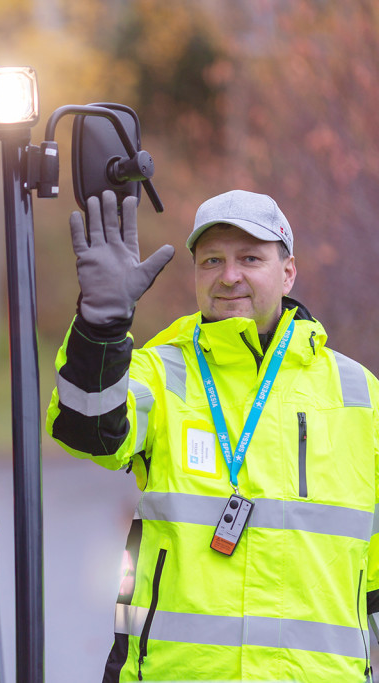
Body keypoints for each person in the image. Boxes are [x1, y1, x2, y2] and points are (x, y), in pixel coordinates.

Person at [46, 189, 379, 681]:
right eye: (212, 261)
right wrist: (101, 327)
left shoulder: (360, 394)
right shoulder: (160, 374)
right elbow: (85, 428)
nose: (229, 276)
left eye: (250, 258)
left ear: (288, 272)